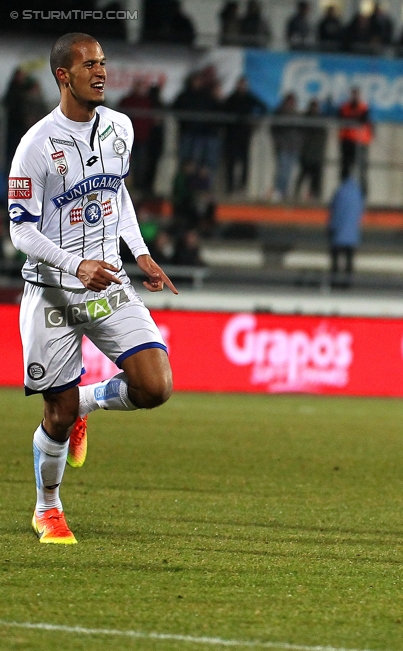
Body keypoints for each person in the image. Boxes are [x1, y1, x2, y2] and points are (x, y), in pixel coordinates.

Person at [8, 33, 178, 545]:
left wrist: (138, 250)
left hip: (108, 283)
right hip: (53, 290)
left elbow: (116, 190)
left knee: (156, 386)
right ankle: (48, 508)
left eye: (103, 62)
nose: (101, 72)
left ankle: (89, 402)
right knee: (55, 416)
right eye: (89, 65)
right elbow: (19, 229)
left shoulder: (120, 127)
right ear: (64, 75)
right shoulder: (37, 145)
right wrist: (73, 264)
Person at [222, 76, 267, 194]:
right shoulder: (231, 98)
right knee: (231, 162)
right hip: (232, 135)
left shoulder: (249, 98)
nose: (241, 87)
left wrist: (256, 122)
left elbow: (264, 107)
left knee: (245, 161)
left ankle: (242, 186)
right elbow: (223, 112)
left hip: (244, 134)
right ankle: (230, 187)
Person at [327, 176, 364, 289]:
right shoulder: (358, 194)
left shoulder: (339, 192)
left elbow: (334, 211)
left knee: (335, 261)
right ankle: (348, 283)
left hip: (339, 233)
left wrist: (331, 227)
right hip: (352, 235)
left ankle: (334, 282)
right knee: (349, 261)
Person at [337, 87, 372, 195]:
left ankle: (363, 194)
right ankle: (345, 192)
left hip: (360, 141)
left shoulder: (363, 107)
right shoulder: (345, 107)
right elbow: (341, 119)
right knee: (345, 168)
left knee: (361, 169)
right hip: (347, 141)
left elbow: (364, 120)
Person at [296, 99, 327, 200]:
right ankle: (296, 195)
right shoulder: (305, 119)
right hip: (306, 154)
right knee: (302, 176)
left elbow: (323, 138)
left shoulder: (321, 120)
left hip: (316, 155)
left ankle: (315, 196)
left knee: (316, 179)